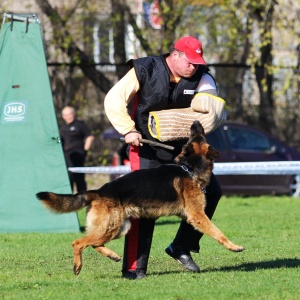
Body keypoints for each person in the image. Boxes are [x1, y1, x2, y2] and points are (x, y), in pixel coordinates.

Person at [104, 36, 223, 280]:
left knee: (212, 192)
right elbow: (113, 100)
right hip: (145, 146)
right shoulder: (144, 69)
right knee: (143, 207)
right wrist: (128, 129)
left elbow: (210, 102)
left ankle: (181, 246)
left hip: (181, 151)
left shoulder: (202, 74)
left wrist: (210, 105)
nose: (193, 67)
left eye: (197, 62)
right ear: (175, 54)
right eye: (189, 61)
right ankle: (135, 269)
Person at [60, 106, 95, 192]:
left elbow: (90, 137)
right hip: (65, 156)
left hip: (78, 155)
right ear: (63, 116)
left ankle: (83, 199)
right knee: (68, 178)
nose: (68, 117)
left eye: (69, 114)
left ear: (74, 114)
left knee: (79, 178)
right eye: (65, 115)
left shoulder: (80, 124)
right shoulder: (62, 127)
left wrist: (85, 151)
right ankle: (69, 198)